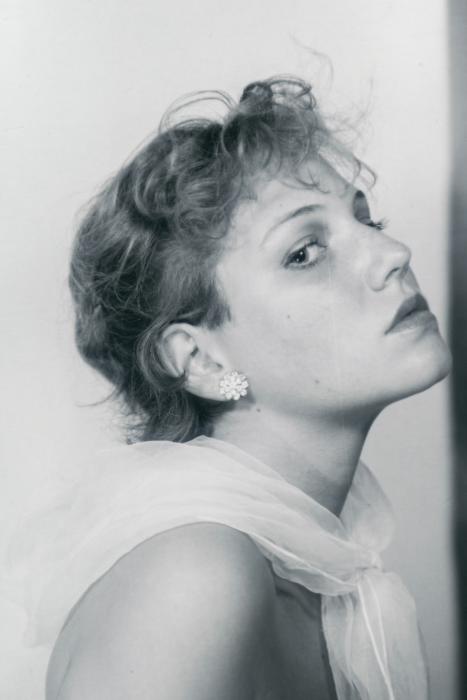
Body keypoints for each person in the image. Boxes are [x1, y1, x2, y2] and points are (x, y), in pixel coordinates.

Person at [39, 76, 450, 699]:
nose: (392, 252)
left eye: (366, 218)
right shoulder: (194, 573)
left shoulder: (315, 573)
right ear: (200, 360)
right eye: (305, 252)